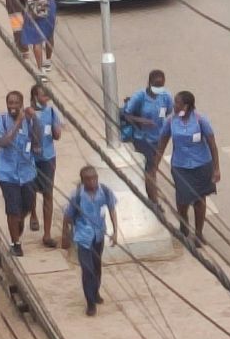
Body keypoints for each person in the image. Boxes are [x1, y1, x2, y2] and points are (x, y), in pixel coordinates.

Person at [155, 90, 220, 247]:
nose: (174, 105)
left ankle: (198, 234)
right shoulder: (171, 121)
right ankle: (184, 226)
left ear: (186, 105)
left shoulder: (200, 120)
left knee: (199, 199)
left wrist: (216, 168)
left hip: (201, 165)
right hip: (180, 166)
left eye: (177, 102)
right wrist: (155, 165)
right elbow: (163, 142)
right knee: (182, 200)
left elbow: (212, 143)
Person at [61, 164, 120, 316]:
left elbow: (112, 209)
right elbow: (67, 217)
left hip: (99, 235)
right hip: (83, 237)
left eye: (94, 178)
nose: (92, 182)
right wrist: (65, 236)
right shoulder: (77, 195)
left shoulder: (105, 191)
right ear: (83, 181)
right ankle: (90, 303)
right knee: (87, 270)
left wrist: (115, 232)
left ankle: (96, 291)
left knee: (97, 266)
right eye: (88, 179)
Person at [0, 90, 37, 257]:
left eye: (16, 103)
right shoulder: (0, 120)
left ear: (22, 104)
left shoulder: (28, 121)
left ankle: (19, 222)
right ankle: (15, 244)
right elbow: (3, 142)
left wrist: (35, 119)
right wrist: (18, 123)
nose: (13, 106)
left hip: (27, 172)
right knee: (12, 209)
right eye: (10, 103)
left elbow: (36, 141)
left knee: (27, 204)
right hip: (7, 173)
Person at [121, 69, 174, 205]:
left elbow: (168, 111)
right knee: (151, 170)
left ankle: (150, 196)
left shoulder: (166, 96)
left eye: (161, 85)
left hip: (160, 139)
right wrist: (142, 121)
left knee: (153, 169)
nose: (158, 88)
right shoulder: (139, 97)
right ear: (149, 83)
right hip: (143, 139)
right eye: (156, 85)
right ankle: (154, 202)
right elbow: (126, 115)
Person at [17, 0, 61, 79]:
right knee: (49, 35)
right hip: (50, 6)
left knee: (36, 40)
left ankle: (40, 70)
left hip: (33, 7)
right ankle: (48, 61)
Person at [28, 83, 62, 247]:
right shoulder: (27, 114)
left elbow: (57, 135)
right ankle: (33, 213)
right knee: (31, 190)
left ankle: (47, 234)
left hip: (48, 158)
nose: (46, 98)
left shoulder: (52, 112)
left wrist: (57, 129)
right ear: (35, 97)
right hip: (31, 158)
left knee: (48, 193)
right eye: (43, 95)